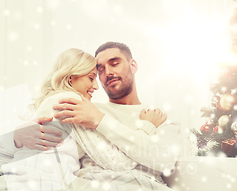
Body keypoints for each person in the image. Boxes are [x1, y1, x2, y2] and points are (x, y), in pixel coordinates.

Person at [13, 42, 182, 182]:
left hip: (136, 189)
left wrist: (100, 120)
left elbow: (165, 160)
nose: (107, 72)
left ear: (133, 66)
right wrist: (17, 138)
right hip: (77, 188)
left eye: (115, 63)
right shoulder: (81, 107)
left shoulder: (160, 116)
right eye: (99, 71)